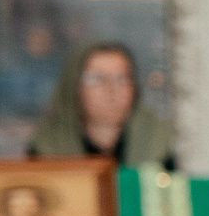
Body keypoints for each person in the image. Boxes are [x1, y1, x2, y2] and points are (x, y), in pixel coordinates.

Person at [29, 42, 173, 164]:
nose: (111, 90)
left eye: (121, 79)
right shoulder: (48, 148)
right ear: (74, 86)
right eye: (96, 79)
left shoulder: (160, 144)